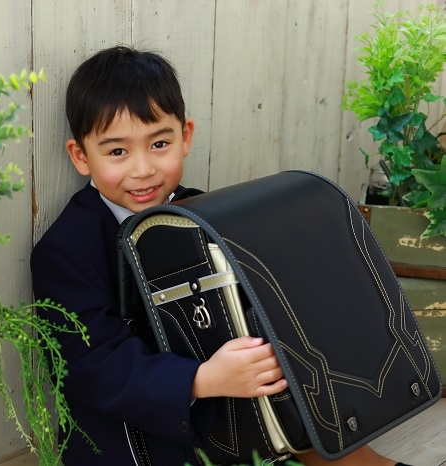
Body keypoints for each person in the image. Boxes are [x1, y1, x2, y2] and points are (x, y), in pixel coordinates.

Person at [30, 46, 410, 466]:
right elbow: (93, 366)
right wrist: (201, 379)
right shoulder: (66, 250)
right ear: (81, 156)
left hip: (232, 401)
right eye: (117, 151)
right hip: (139, 439)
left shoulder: (201, 213)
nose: (142, 169)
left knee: (304, 390)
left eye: (159, 143)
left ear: (186, 136)